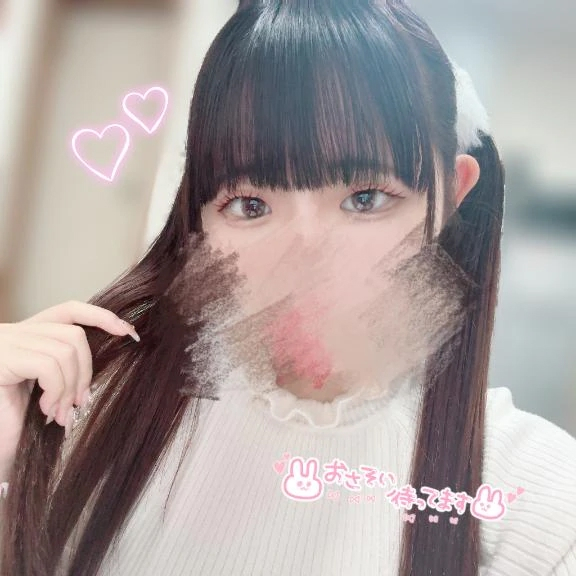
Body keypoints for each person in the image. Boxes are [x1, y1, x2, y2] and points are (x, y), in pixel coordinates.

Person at [1, 0, 575, 574]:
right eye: (250, 205)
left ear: (452, 195)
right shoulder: (84, 407)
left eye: (365, 198)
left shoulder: (535, 503)